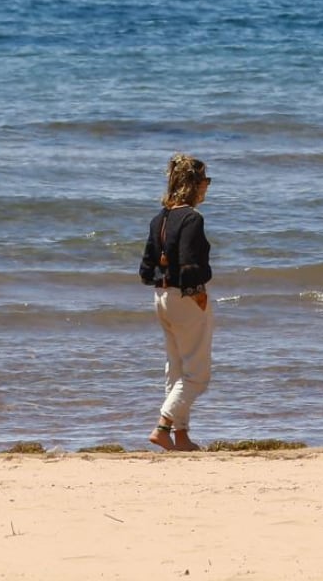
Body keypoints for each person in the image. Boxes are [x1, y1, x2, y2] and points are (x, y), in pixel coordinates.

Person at [139, 153, 215, 452]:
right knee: (197, 376)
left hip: (161, 296)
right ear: (193, 185)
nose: (207, 187)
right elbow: (189, 263)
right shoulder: (193, 218)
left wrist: (167, 281)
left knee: (176, 369)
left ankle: (180, 437)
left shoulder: (160, 218)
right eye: (205, 181)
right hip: (185, 297)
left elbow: (146, 269)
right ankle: (162, 426)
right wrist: (197, 288)